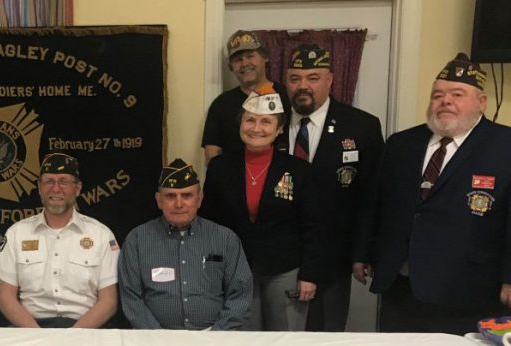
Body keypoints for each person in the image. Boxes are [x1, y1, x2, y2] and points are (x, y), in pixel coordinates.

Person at [353, 53, 511, 334]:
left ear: (481, 102)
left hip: (468, 289)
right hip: (399, 286)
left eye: (457, 94)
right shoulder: (401, 143)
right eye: (437, 94)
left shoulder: (504, 146)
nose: (445, 100)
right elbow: (375, 203)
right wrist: (362, 252)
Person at [276, 44, 384, 332]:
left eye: (313, 77)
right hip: (279, 252)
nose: (303, 86)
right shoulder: (270, 122)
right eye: (295, 78)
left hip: (334, 254)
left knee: (326, 332)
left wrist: (363, 252)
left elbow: (371, 196)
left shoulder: (362, 126)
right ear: (285, 81)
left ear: (330, 80)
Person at [200, 82, 324, 331]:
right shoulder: (220, 167)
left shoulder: (299, 170)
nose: (256, 128)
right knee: (244, 339)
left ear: (279, 129)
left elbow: (314, 227)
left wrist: (309, 275)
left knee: (285, 339)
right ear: (240, 124)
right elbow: (208, 222)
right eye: (250, 120)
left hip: (286, 269)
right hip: (235, 270)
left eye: (266, 122)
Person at [119, 158, 253, 330]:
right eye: (170, 196)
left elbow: (240, 296)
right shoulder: (137, 239)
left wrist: (215, 337)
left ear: (199, 199)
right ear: (158, 200)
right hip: (156, 339)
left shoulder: (225, 238)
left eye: (187, 195)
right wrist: (158, 339)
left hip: (214, 338)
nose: (179, 204)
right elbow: (131, 298)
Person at [0, 153, 119, 328]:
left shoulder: (101, 234)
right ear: (39, 187)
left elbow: (109, 300)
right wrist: (39, 336)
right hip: (30, 329)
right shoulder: (17, 233)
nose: (56, 189)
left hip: (85, 330)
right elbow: (5, 297)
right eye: (49, 181)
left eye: (64, 181)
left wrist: (72, 338)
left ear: (78, 188)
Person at [203, 30, 290, 164]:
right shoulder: (221, 104)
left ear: (265, 57)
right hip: (233, 181)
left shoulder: (286, 96)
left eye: (250, 56)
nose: (244, 63)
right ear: (231, 67)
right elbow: (212, 152)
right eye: (238, 60)